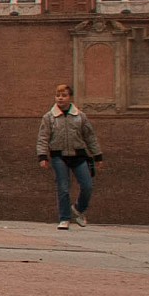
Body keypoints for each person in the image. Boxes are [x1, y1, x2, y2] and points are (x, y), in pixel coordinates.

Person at [34, 84, 102, 230]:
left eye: (64, 95)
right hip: (59, 156)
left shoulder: (80, 116)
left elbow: (90, 136)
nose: (60, 98)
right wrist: (42, 156)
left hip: (78, 155)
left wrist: (97, 155)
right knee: (63, 187)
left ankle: (78, 208)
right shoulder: (49, 117)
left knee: (87, 186)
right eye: (58, 95)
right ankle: (64, 218)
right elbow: (43, 137)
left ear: (70, 97)